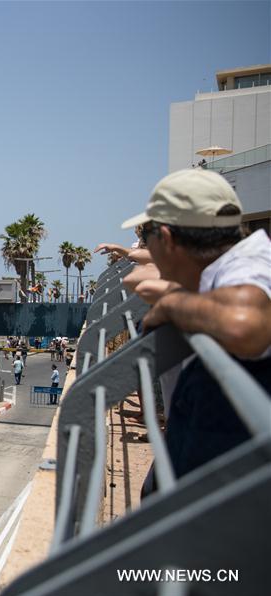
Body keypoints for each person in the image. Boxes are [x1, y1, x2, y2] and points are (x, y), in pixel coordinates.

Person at [120, 168, 271, 480]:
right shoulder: (226, 269)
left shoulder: (250, 267)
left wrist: (174, 302)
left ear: (166, 239)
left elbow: (245, 326)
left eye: (147, 237)